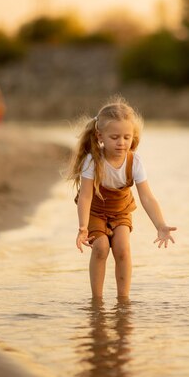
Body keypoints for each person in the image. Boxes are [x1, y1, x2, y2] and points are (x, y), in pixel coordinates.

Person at [66, 96, 177, 299]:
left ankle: (123, 301)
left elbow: (147, 197)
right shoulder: (92, 161)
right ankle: (96, 301)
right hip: (95, 210)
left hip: (120, 210)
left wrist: (160, 225)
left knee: (122, 248)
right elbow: (85, 197)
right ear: (100, 136)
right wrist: (82, 227)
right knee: (100, 248)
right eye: (114, 137)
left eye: (126, 137)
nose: (121, 143)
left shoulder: (134, 162)